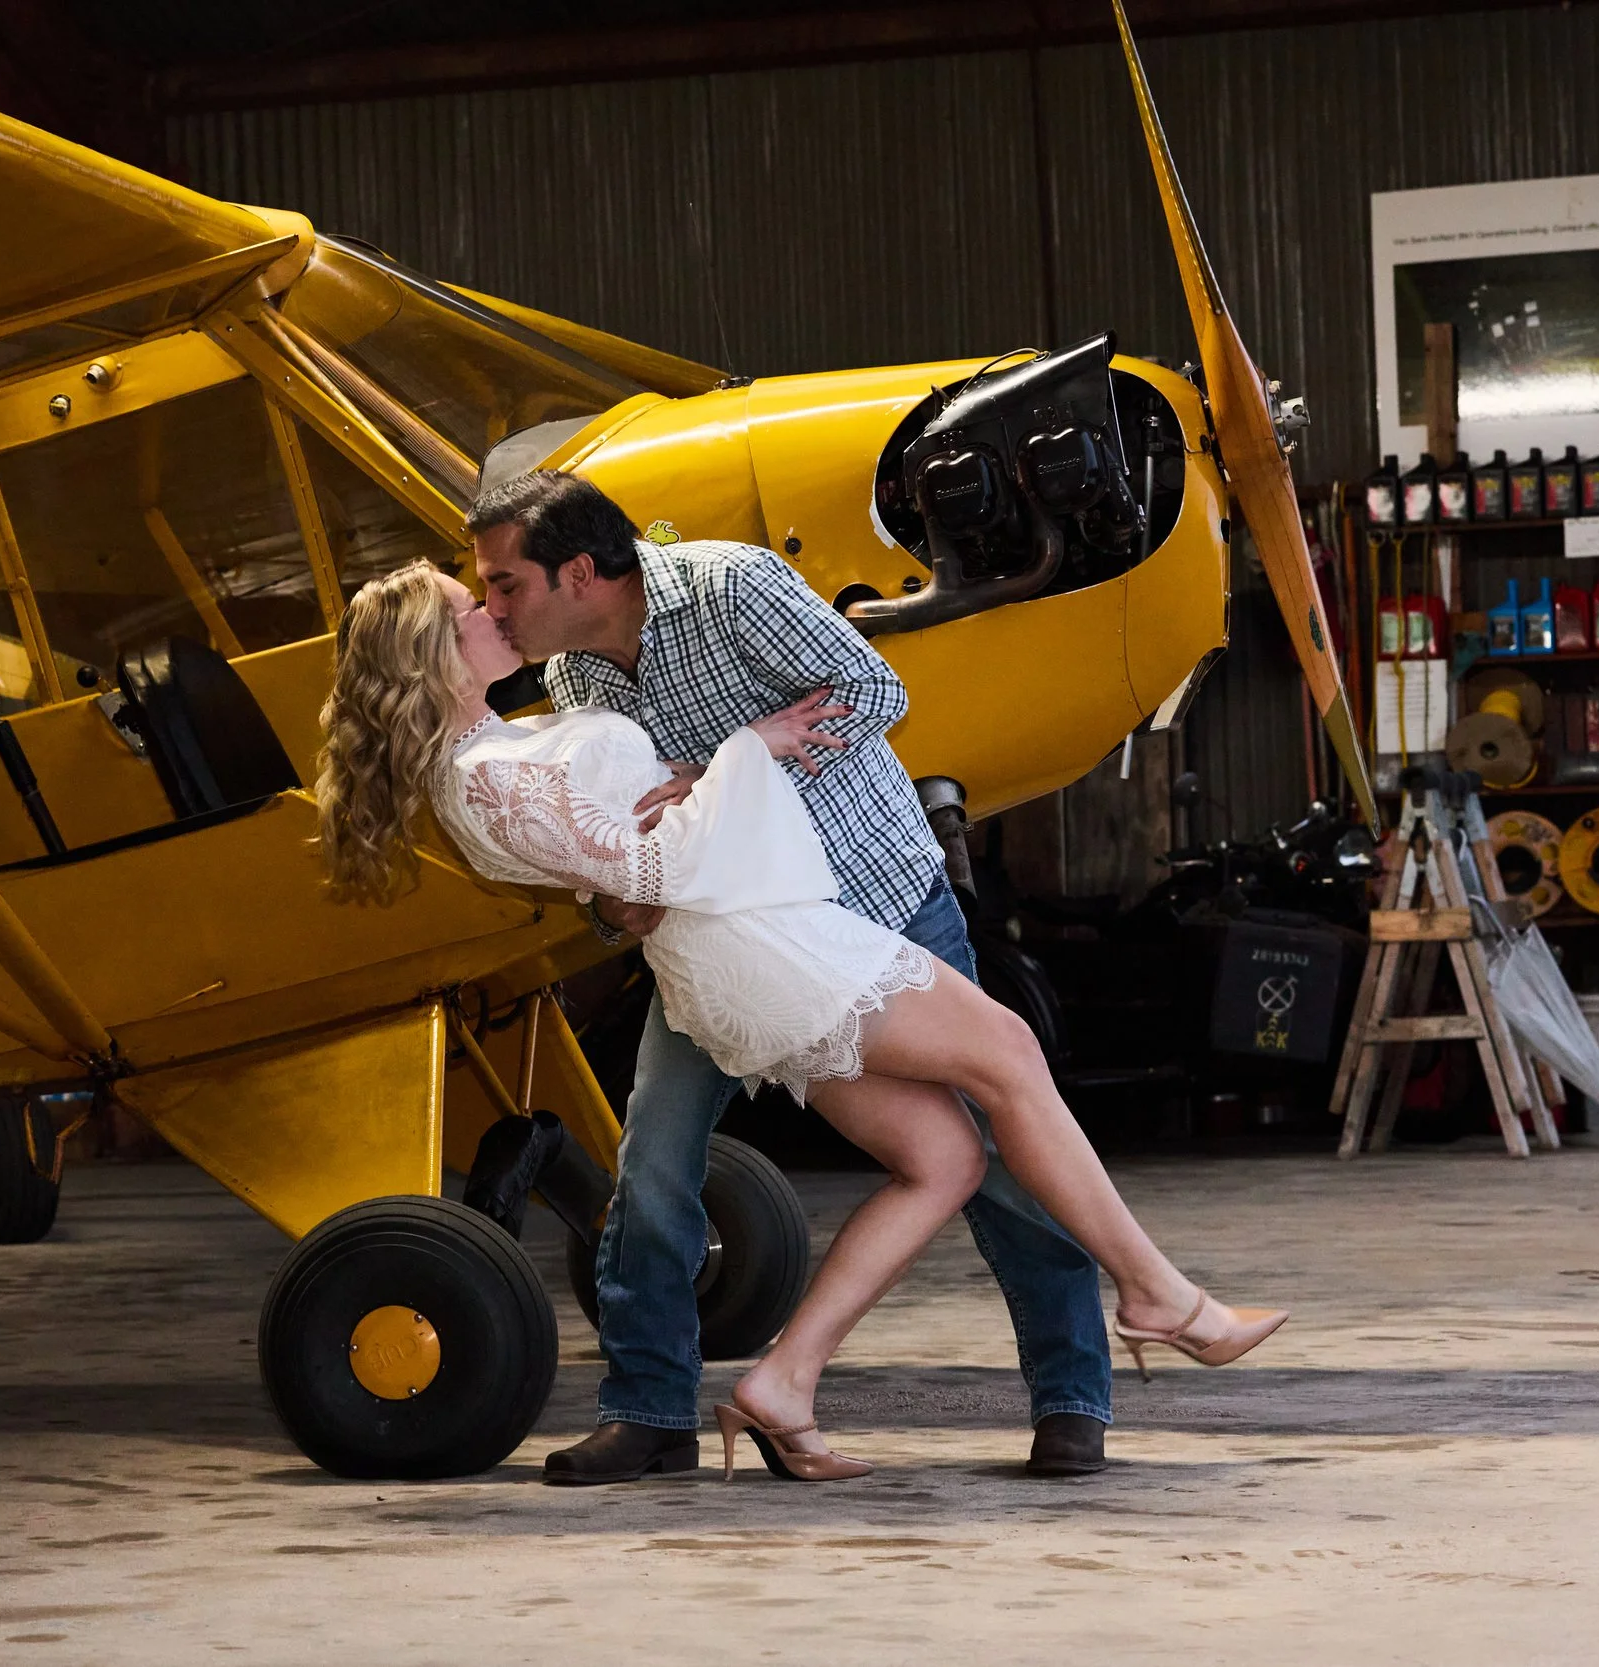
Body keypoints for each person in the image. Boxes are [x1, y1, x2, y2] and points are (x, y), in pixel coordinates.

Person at [311, 547, 1289, 1483]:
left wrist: (701, 781)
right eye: (470, 606)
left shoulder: (514, 731)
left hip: (783, 920)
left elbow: (641, 821)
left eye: (497, 588)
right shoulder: (490, 766)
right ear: (432, 656)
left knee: (947, 1157)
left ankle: (784, 1381)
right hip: (756, 940)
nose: (492, 609)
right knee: (1007, 1054)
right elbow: (646, 866)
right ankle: (1159, 1294)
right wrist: (751, 748)